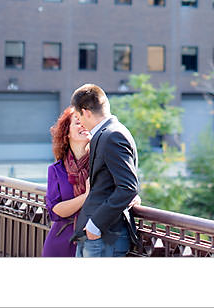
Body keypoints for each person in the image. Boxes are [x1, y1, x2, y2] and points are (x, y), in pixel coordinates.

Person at [70, 83, 141, 257]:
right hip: (97, 236)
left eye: (79, 116)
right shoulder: (108, 133)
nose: (80, 122)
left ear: (86, 111)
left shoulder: (112, 135)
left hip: (103, 236)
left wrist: (95, 225)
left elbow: (128, 187)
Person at [43, 107, 91, 257]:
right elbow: (56, 211)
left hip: (94, 243)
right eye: (78, 122)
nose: (83, 125)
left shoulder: (100, 164)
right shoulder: (56, 170)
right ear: (67, 133)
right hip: (61, 242)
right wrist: (85, 197)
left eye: (86, 121)